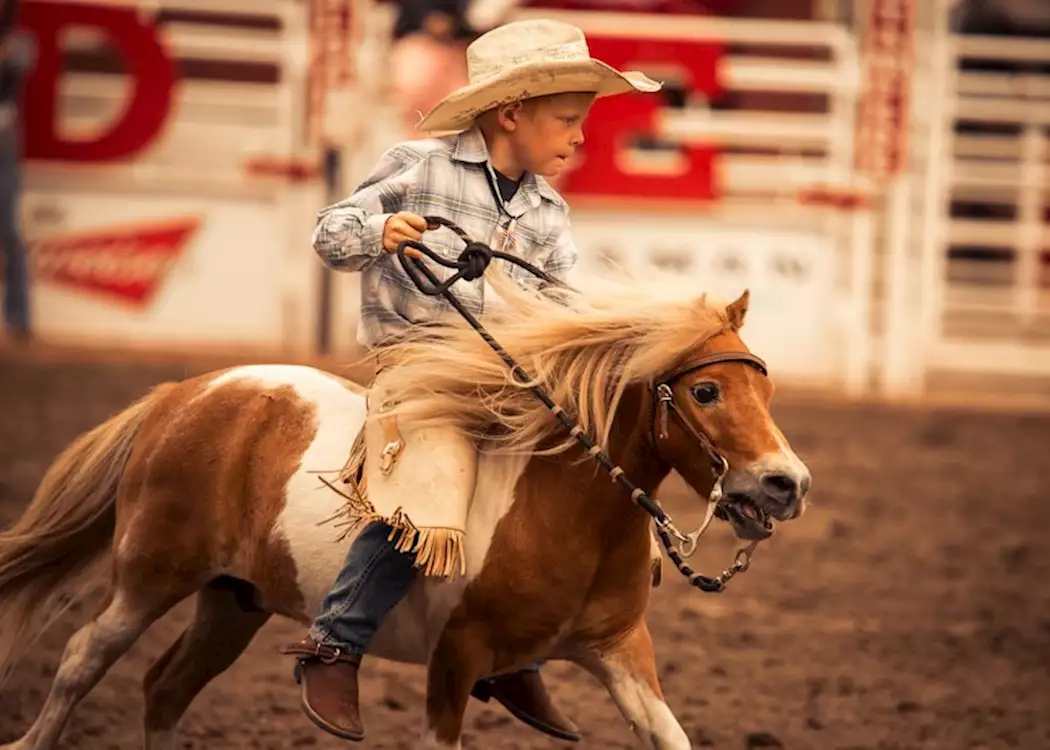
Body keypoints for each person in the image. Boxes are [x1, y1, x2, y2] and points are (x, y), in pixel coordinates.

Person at [280, 17, 660, 743]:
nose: (580, 137)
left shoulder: (548, 212)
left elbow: (560, 304)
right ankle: (335, 640)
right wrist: (377, 232)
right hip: (419, 366)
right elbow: (330, 232)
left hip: (505, 379)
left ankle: (514, 645)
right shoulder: (419, 167)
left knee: (565, 479)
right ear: (512, 113)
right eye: (568, 121)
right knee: (432, 480)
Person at [0, 10, 34, 344]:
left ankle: (19, 319)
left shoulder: (20, 42)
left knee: (10, 234)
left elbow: (15, 73)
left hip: (4, 151)